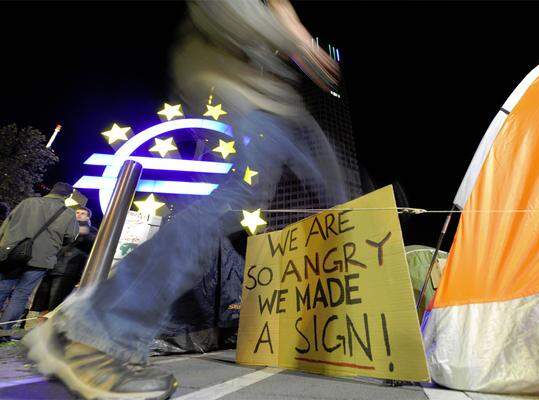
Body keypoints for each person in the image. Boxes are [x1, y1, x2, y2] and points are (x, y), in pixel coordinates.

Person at [24, 2, 345, 399]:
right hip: (238, 86)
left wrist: (292, 31)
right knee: (229, 201)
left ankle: (92, 328)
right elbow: (233, 17)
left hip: (265, 99)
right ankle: (93, 334)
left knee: (295, 188)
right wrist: (298, 41)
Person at [0, 182, 78, 331]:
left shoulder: (28, 202)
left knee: (2, 288)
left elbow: (7, 223)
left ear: (52, 190)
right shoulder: (68, 213)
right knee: (21, 294)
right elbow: (71, 237)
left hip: (13, 254)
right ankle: (3, 330)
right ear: (68, 196)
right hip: (41, 259)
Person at [31, 206, 98, 320]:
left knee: (55, 301)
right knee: (43, 301)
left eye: (83, 213)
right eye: (77, 212)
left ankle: (49, 329)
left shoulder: (91, 231)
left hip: (68, 270)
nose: (79, 215)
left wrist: (83, 227)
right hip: (52, 267)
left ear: (88, 217)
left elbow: (89, 245)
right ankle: (39, 326)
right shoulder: (65, 227)